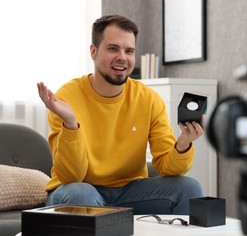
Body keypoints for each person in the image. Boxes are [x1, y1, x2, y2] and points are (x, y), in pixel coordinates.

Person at [37, 14, 204, 215]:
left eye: (129, 51)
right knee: (81, 195)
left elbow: (168, 168)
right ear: (93, 51)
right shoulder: (66, 97)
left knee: (190, 189)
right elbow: (71, 176)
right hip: (76, 190)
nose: (122, 57)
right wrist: (71, 123)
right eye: (113, 48)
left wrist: (184, 143)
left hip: (129, 193)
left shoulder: (148, 99)